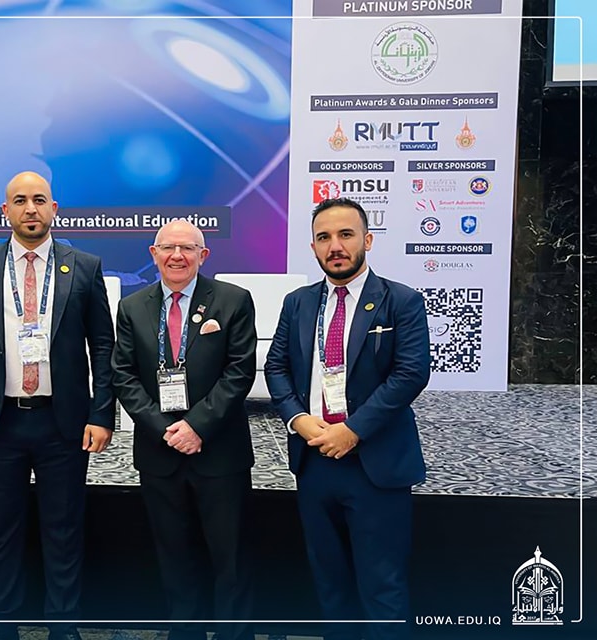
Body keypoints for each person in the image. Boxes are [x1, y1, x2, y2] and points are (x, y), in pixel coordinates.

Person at [0, 171, 115, 640]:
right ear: (6, 211)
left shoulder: (84, 266)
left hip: (64, 423)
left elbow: (103, 347)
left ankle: (64, 626)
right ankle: (1, 626)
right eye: (19, 201)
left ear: (53, 208)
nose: (30, 209)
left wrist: (102, 414)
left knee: (64, 530)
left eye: (39, 200)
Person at [264, 197, 430, 640]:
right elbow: (276, 367)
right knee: (330, 586)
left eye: (345, 235)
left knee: (382, 588)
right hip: (314, 461)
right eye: (324, 237)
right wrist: (297, 419)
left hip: (375, 465)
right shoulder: (298, 303)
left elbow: (410, 374)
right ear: (313, 247)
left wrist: (353, 430)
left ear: (367, 240)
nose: (335, 246)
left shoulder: (401, 301)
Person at [111, 220, 257, 640]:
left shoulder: (233, 300)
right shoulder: (132, 307)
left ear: (203, 255)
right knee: (174, 556)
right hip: (160, 454)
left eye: (188, 248)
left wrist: (196, 426)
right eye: (168, 248)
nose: (177, 256)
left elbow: (239, 372)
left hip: (219, 452)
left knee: (231, 558)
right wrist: (164, 429)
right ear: (153, 254)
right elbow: (123, 375)